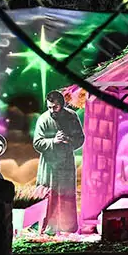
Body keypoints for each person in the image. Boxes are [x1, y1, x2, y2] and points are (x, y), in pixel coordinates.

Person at [31, 89, 84, 234]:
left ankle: (67, 226)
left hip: (66, 163)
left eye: (55, 107)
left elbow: (80, 139)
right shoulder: (43, 119)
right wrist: (53, 141)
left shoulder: (71, 116)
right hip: (49, 164)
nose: (52, 110)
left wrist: (68, 140)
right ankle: (46, 227)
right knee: (48, 194)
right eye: (49, 107)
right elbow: (37, 143)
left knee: (67, 194)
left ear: (62, 104)